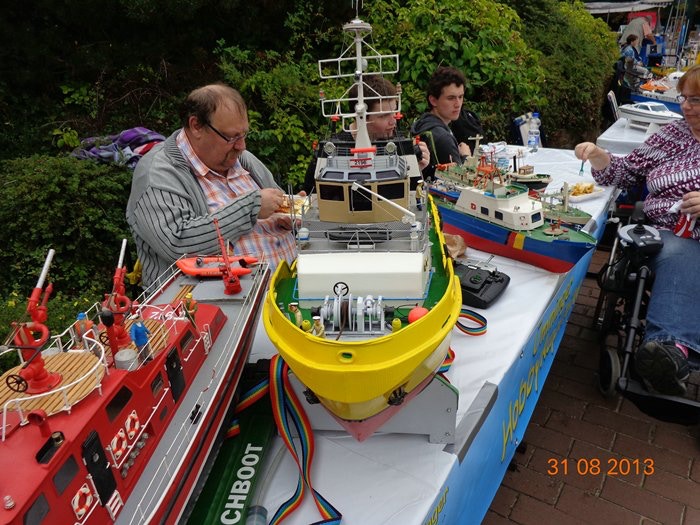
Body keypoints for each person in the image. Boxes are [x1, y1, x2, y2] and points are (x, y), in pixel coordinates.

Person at [574, 64, 700, 396]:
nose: (686, 107)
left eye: (696, 100)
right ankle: (670, 350)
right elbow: (626, 172)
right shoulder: (673, 135)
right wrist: (598, 155)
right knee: (681, 254)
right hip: (671, 234)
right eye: (684, 98)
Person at [126, 83, 300, 287]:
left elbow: (272, 204)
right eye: (231, 137)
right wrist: (250, 208)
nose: (241, 146)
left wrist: (287, 214)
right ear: (196, 126)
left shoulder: (243, 159)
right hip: (215, 302)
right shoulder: (157, 173)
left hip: (289, 284)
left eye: (244, 135)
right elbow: (178, 245)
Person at [303, 75, 429, 193]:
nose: (393, 121)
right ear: (361, 117)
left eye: (394, 111)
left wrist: (417, 168)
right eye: (384, 116)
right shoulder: (331, 151)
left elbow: (413, 196)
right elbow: (310, 194)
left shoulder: (400, 143)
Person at [411, 66, 477, 178]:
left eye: (460, 97)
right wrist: (466, 157)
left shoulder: (421, 123)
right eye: (451, 98)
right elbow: (462, 180)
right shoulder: (443, 138)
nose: (458, 104)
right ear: (433, 100)